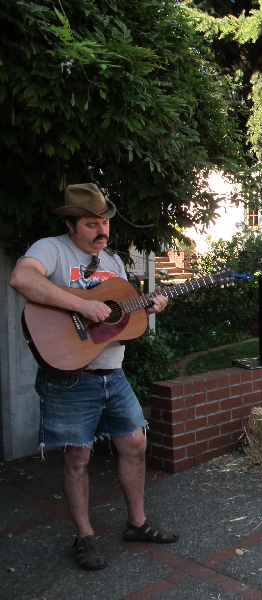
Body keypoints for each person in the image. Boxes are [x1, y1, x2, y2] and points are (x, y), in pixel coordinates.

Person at [8, 184, 178, 571]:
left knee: (135, 443)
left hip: (111, 373)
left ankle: (137, 523)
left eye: (105, 223)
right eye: (90, 224)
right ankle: (84, 536)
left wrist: (149, 308)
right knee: (78, 456)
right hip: (70, 376)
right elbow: (21, 278)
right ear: (70, 224)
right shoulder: (51, 249)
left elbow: (119, 318)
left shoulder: (113, 261)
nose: (102, 231)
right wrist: (82, 305)